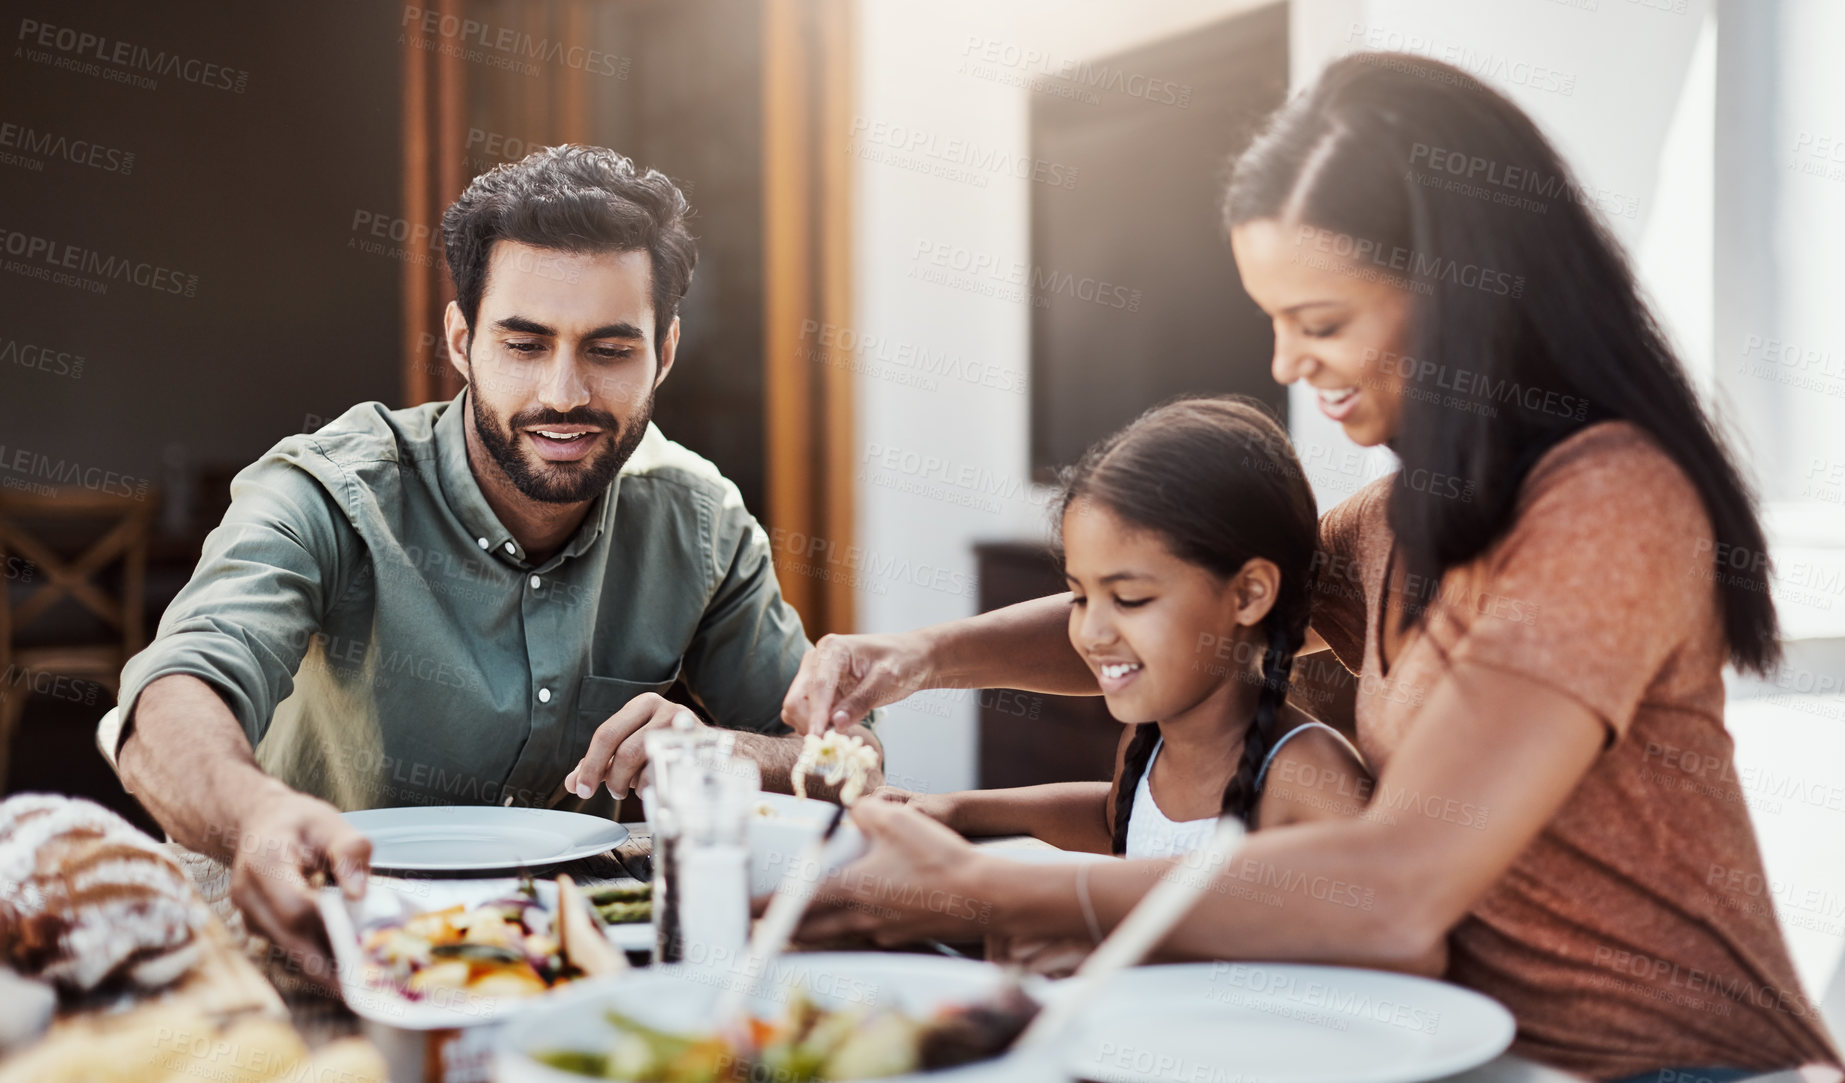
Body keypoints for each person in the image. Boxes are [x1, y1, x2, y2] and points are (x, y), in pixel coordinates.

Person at [779, 54, 1839, 1081]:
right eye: (1274, 323)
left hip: (1673, 1067)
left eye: (1319, 322)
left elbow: (1393, 891)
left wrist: (997, 893)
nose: (1287, 363)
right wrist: (919, 656)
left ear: (1465, 293)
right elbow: (1182, 605)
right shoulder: (1391, 525)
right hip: (1455, 1044)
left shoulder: (1606, 507)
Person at [105, 145, 878, 983]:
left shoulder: (699, 520)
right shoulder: (328, 490)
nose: (563, 393)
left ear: (665, 351)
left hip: (576, 955)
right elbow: (167, 705)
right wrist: (254, 817)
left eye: (609, 350)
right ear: (462, 341)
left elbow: (850, 758)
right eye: (524, 343)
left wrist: (723, 752)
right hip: (315, 936)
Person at [885, 397, 1371, 860]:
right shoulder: (1150, 739)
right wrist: (958, 810)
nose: (1091, 632)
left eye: (1129, 599)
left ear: (1248, 594)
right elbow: (1116, 823)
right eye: (1080, 597)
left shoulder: (1311, 776)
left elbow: (1373, 925)